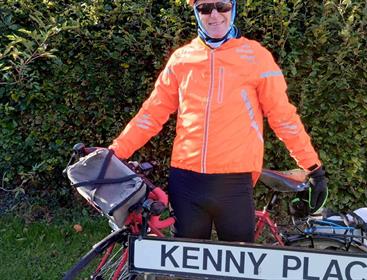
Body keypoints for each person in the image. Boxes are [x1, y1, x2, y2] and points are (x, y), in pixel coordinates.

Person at [109, 0, 327, 243]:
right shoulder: (181, 59)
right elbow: (152, 113)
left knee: (236, 266)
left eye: (221, 6)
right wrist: (115, 152)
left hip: (234, 180)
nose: (214, 15)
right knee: (187, 265)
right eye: (205, 8)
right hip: (186, 180)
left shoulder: (256, 56)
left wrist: (313, 167)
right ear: (196, 12)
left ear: (233, 8)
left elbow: (283, 117)